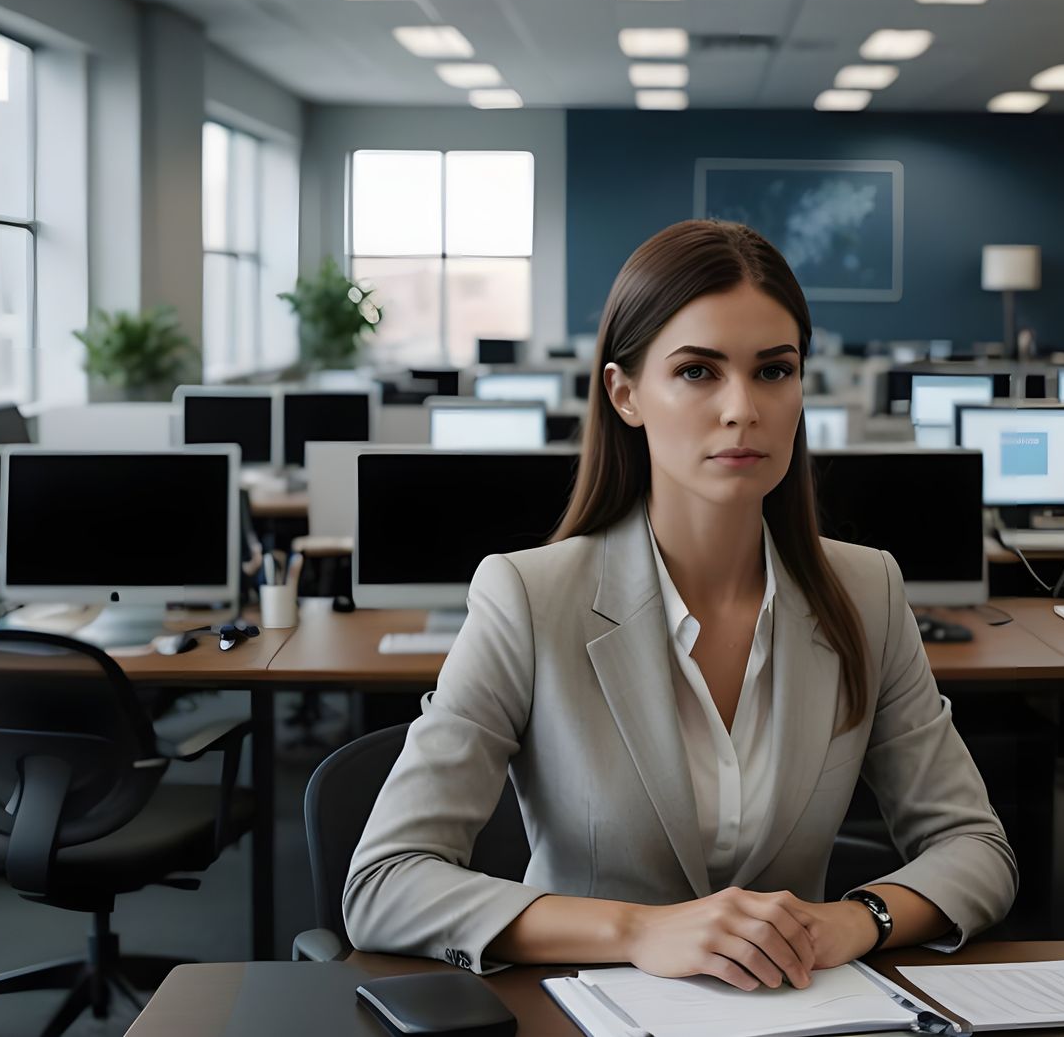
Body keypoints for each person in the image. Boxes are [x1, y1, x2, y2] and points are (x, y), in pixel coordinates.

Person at [344, 219, 1017, 989]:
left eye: (773, 371)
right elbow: (384, 883)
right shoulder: (529, 597)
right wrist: (638, 931)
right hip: (590, 1016)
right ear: (625, 393)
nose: (743, 409)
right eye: (699, 372)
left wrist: (858, 918)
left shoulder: (867, 593)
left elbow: (976, 849)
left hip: (793, 1014)